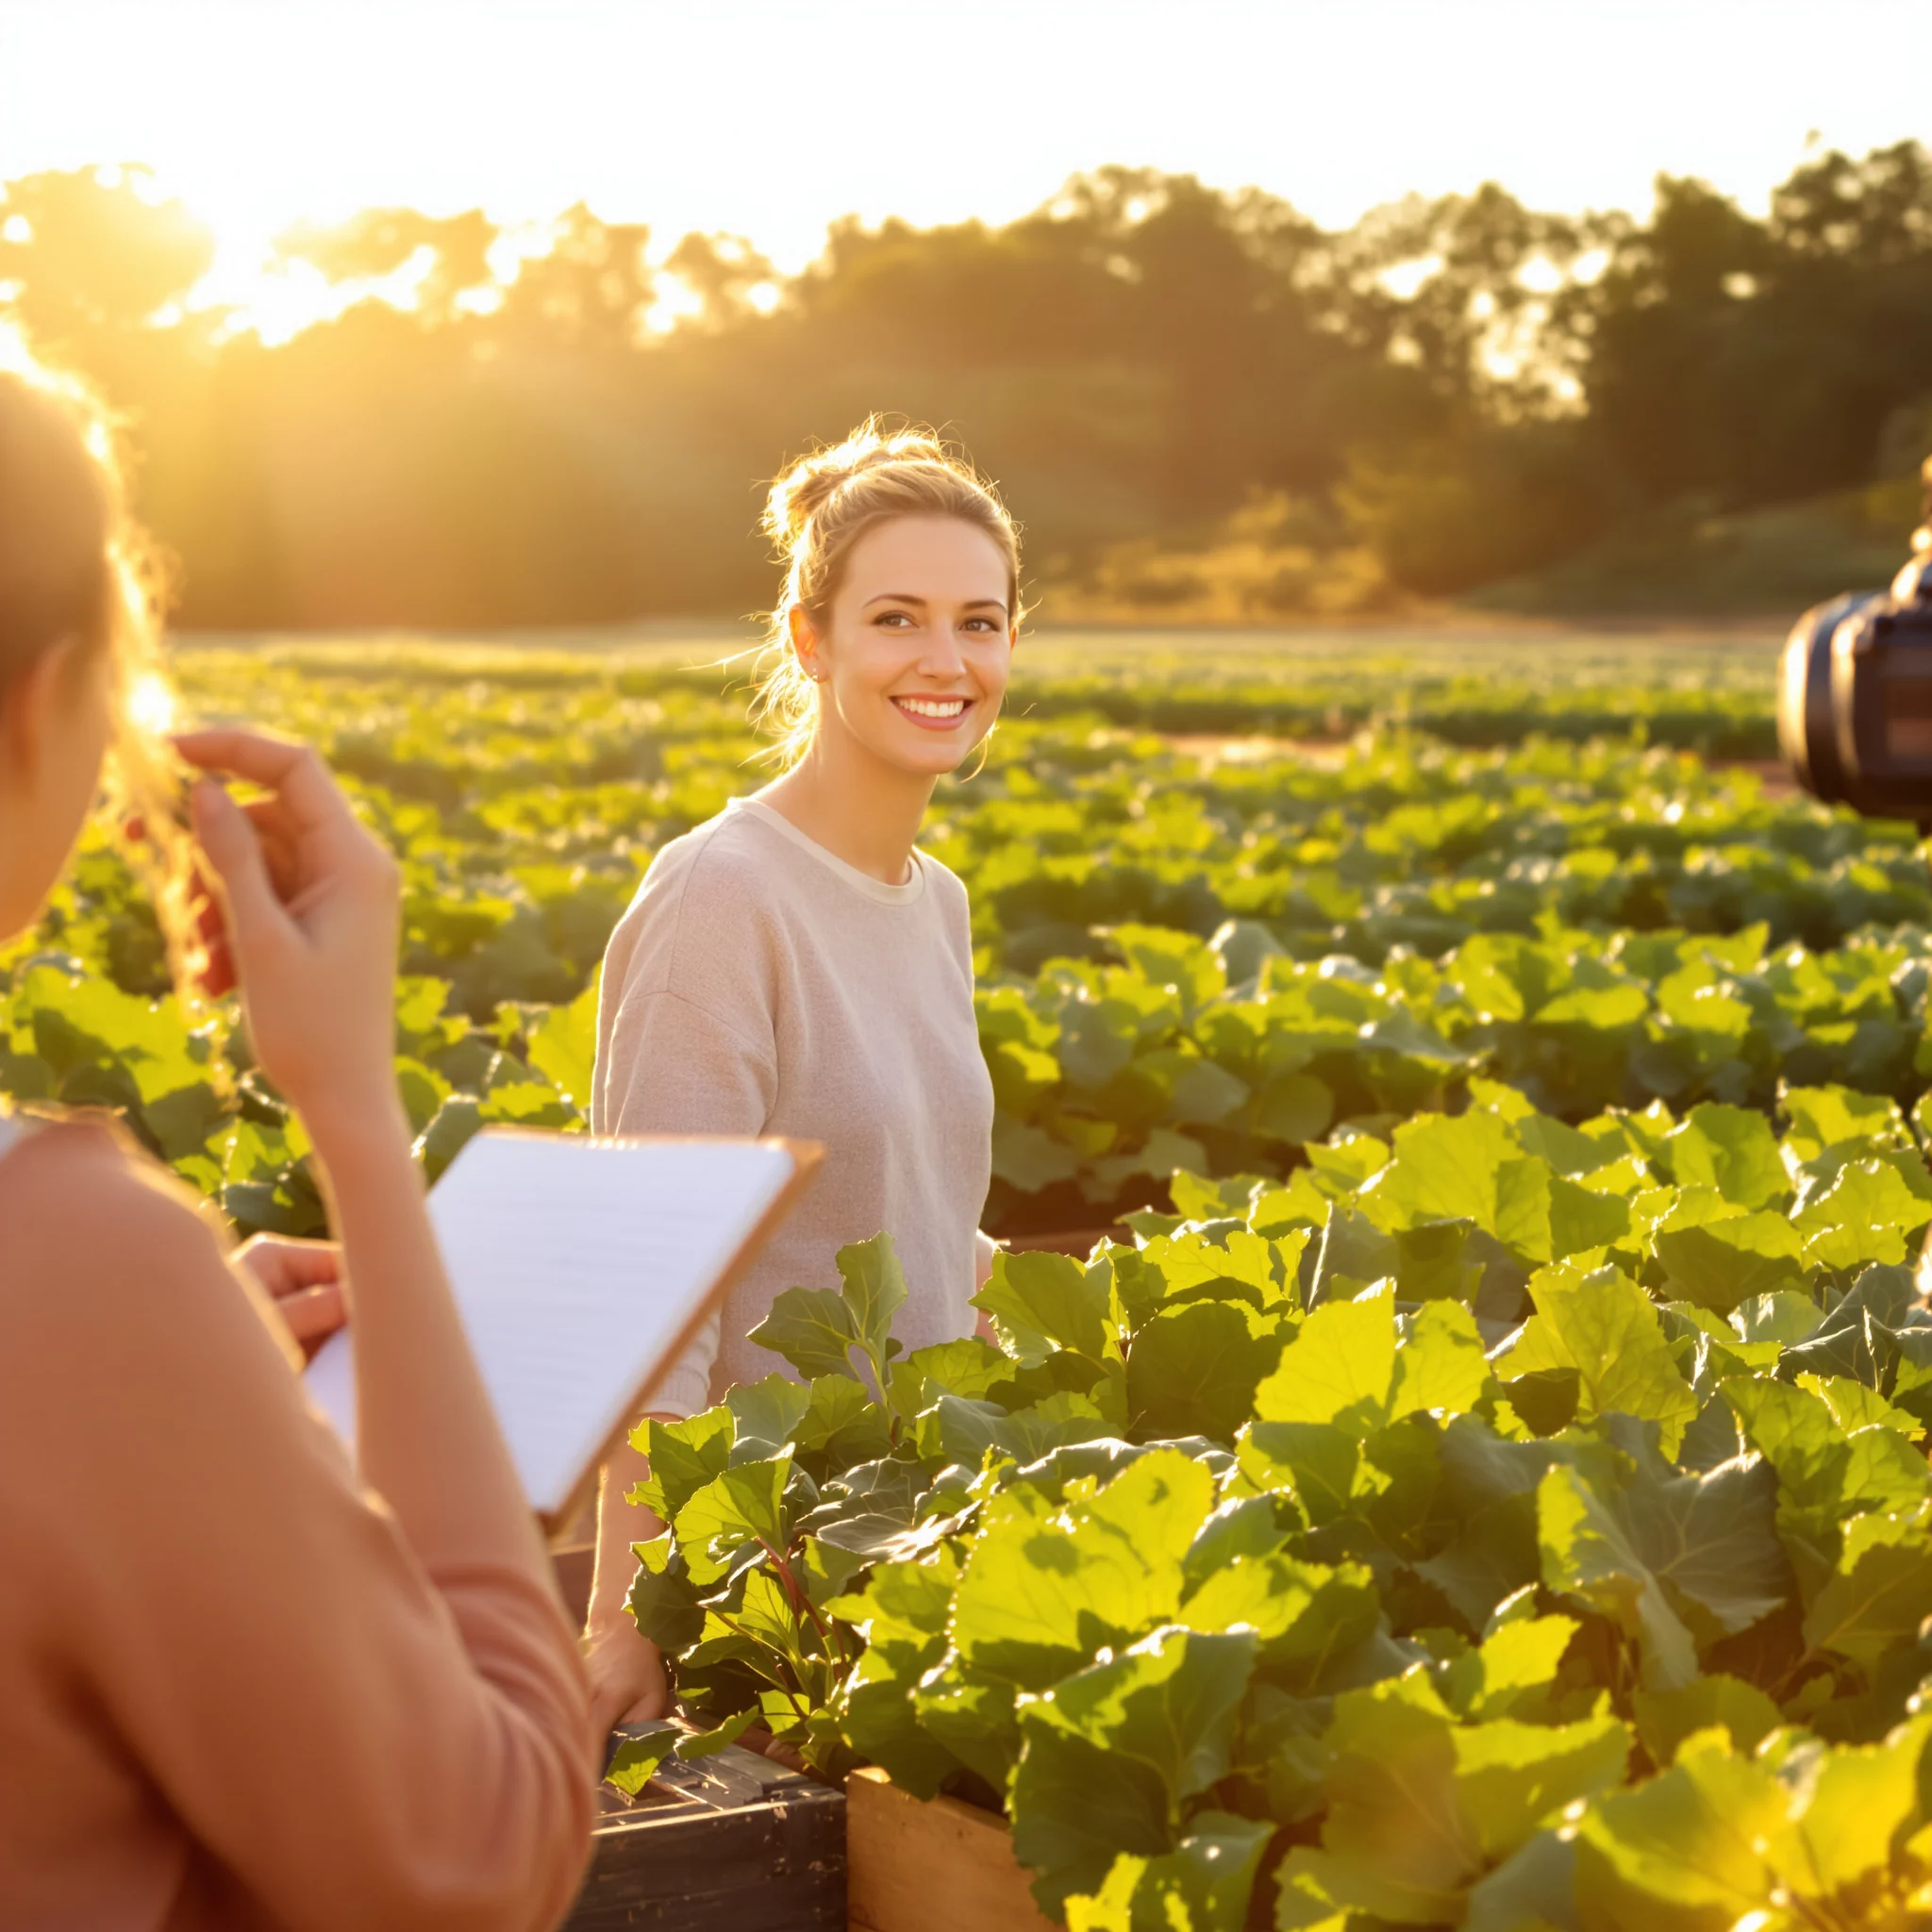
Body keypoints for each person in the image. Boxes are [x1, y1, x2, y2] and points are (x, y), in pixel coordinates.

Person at [0, 343, 595, 1922]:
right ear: (46, 699)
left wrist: (175, 1404)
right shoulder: (71, 1273)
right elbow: (482, 1856)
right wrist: (356, 1117)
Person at [581, 422, 1014, 1735]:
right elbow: (653, 1289)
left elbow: (917, 1217)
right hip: (765, 1576)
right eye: (896, 619)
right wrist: (624, 1620)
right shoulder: (721, 899)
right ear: (808, 639)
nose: (946, 661)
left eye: (980, 623)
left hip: (925, 1536)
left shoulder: (935, 901)